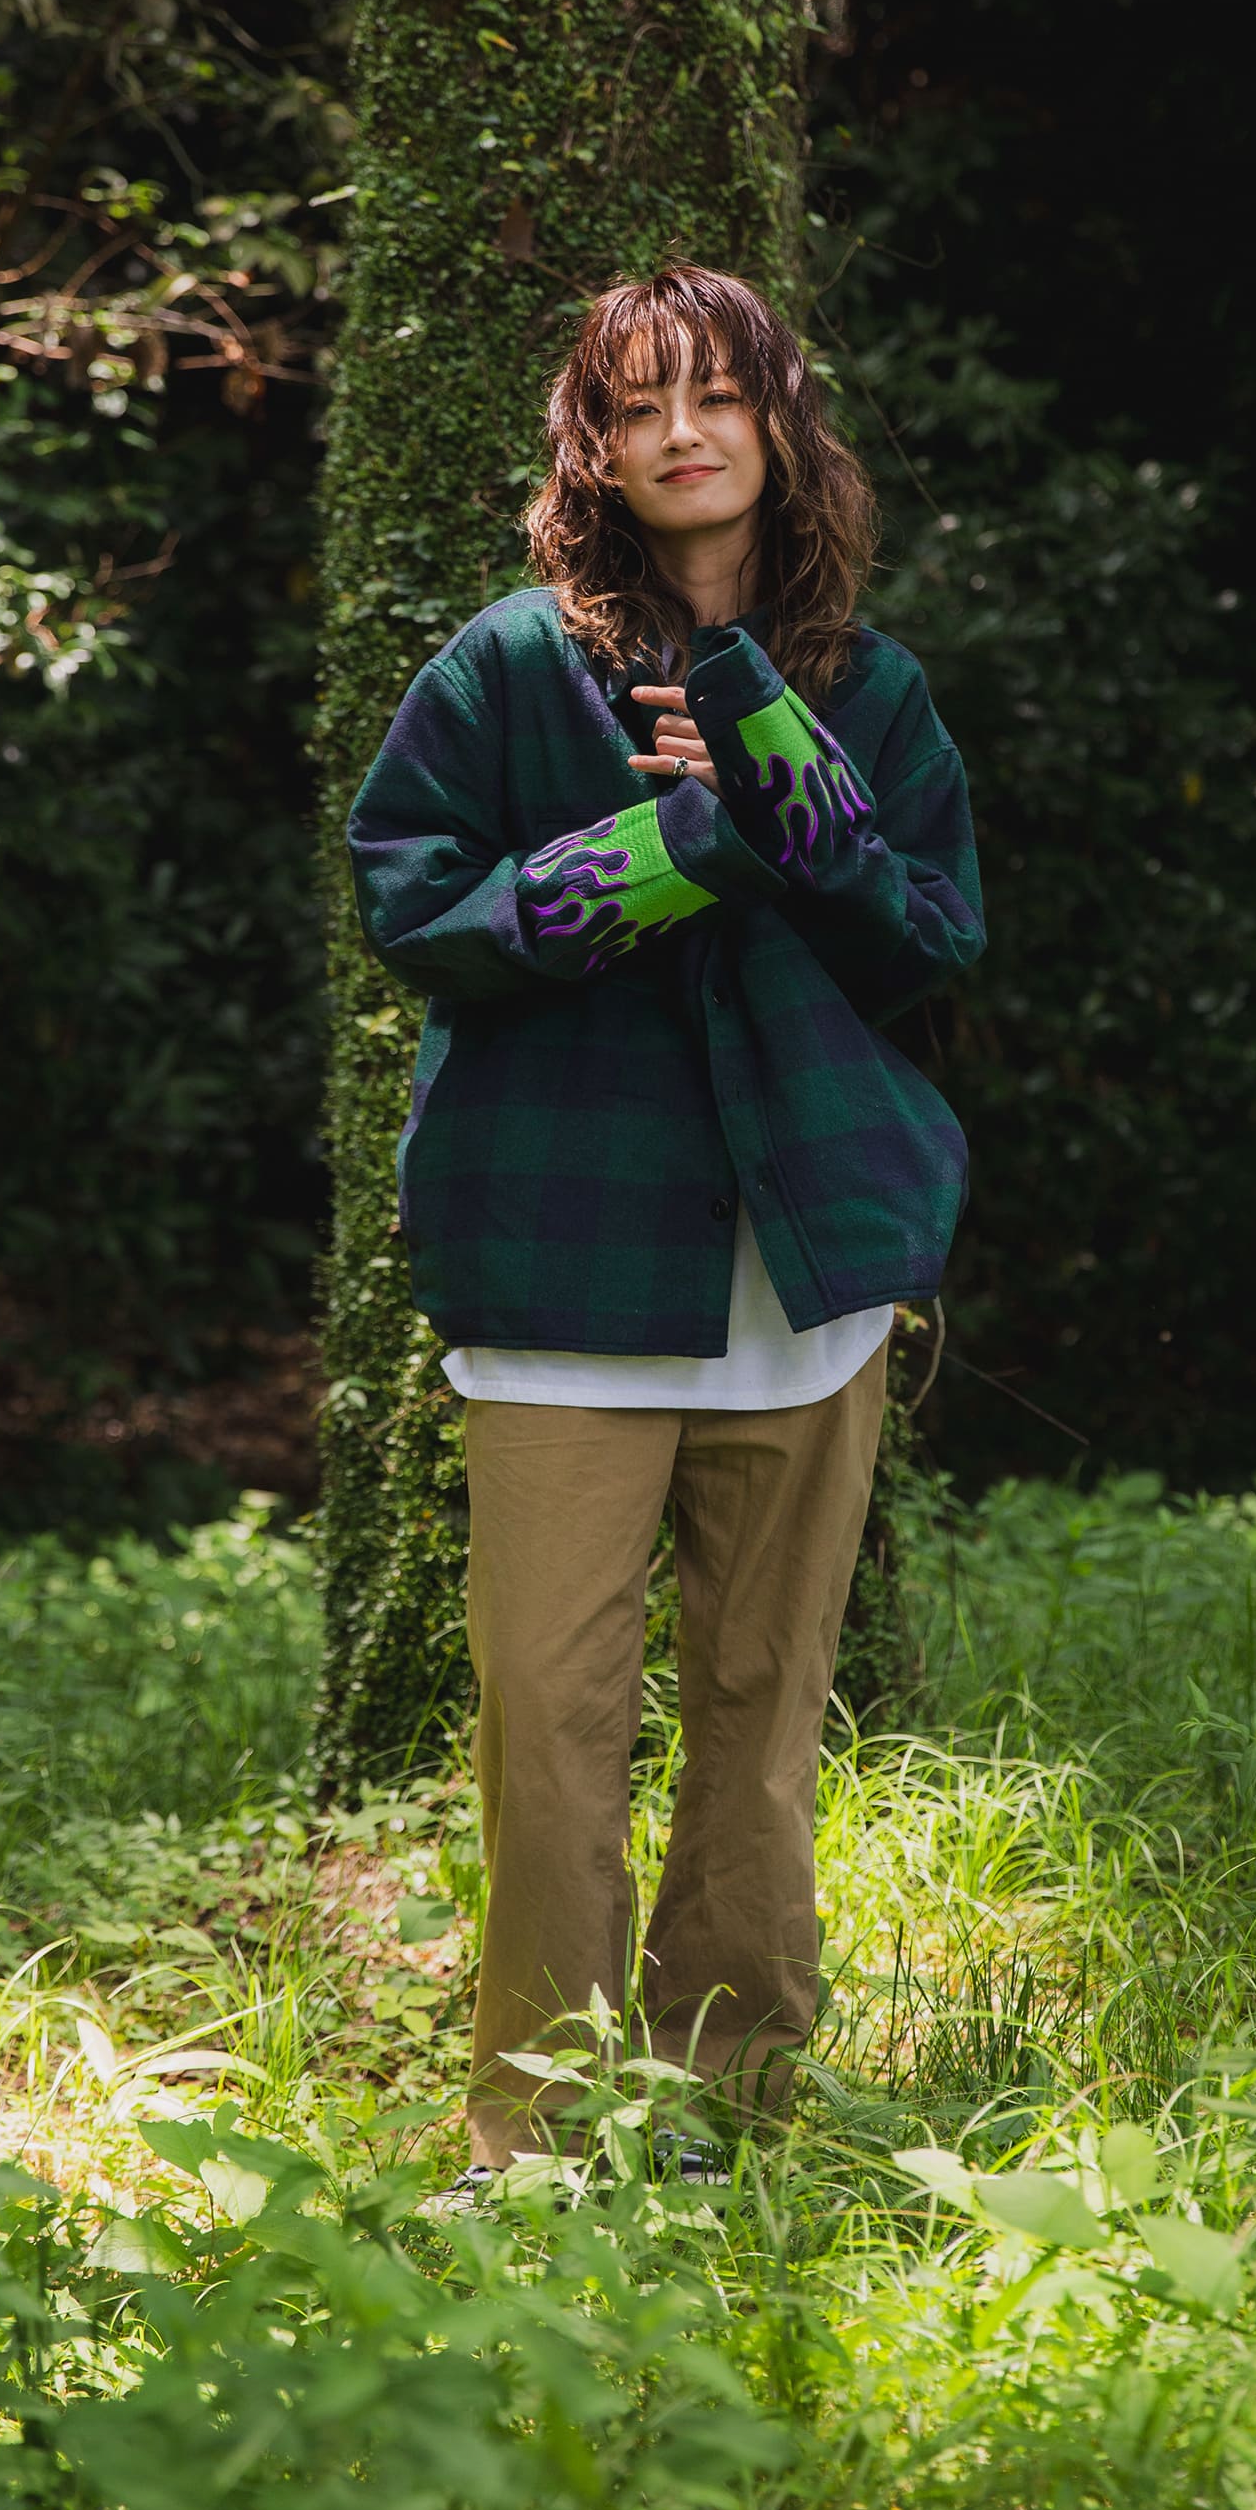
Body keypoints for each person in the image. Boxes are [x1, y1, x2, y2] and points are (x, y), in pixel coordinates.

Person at [347, 262, 984, 2175]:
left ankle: (736, 2107)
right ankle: (535, 2137)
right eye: (640, 408)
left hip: (807, 1282)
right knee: (550, 1721)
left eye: (718, 394)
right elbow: (413, 910)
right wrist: (659, 850)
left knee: (762, 1717)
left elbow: (929, 942)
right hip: (563, 1271)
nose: (685, 432)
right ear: (596, 452)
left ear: (780, 425)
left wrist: (794, 812)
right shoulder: (505, 669)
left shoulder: (871, 686)